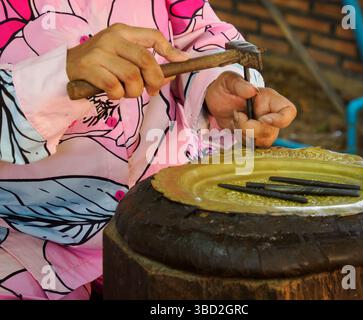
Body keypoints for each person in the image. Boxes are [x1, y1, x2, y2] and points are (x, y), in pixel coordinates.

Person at [0, 0, 296, 300]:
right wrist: (58, 76)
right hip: (26, 238)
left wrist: (216, 84)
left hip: (168, 215)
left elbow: (198, 32)